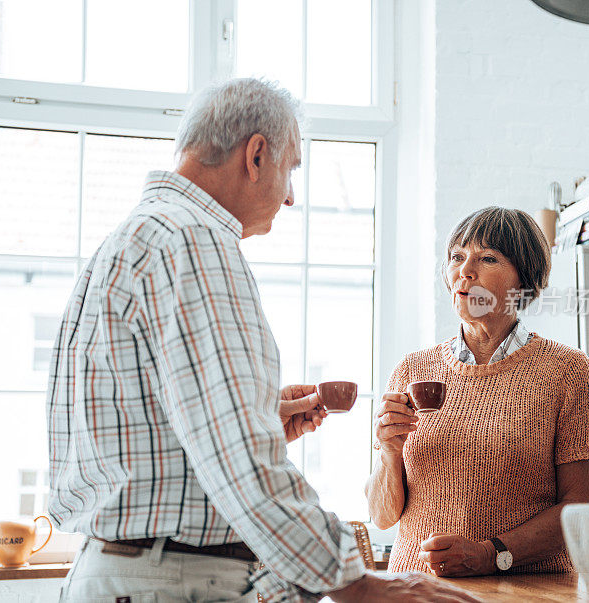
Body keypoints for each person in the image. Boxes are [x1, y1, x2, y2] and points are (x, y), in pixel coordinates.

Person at [47, 78, 478, 603]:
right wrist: (357, 583)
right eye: (291, 168)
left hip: (125, 573)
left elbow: (154, 437)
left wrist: (256, 417)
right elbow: (239, 458)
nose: (292, 195)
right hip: (172, 582)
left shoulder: (136, 238)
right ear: (256, 155)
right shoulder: (195, 240)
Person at [366, 206, 589, 577]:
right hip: (417, 592)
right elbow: (382, 517)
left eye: (488, 258)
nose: (465, 270)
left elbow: (580, 506)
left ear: (523, 280)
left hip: (527, 594)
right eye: (457, 257)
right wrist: (389, 452)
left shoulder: (567, 371)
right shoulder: (411, 370)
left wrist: (490, 554)